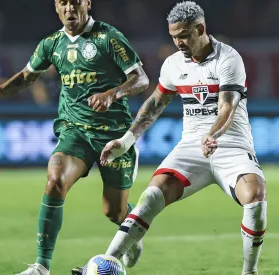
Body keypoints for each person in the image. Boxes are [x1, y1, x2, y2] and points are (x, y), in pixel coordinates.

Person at [0, 0, 149, 274]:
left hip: (114, 136)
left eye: (75, 2)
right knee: (55, 181)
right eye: (63, 3)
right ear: (56, 8)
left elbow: (141, 79)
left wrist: (112, 95)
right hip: (74, 132)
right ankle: (41, 266)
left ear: (87, 3)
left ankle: (130, 231)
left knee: (114, 212)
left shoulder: (109, 37)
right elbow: (26, 77)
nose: (70, 8)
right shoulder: (51, 43)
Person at [83, 2, 268, 275]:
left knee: (255, 197)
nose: (178, 42)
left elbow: (227, 106)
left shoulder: (228, 59)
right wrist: (126, 141)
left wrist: (213, 135)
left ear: (200, 28)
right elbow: (155, 104)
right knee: (151, 196)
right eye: (173, 36)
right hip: (192, 147)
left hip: (230, 144)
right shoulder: (173, 64)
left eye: (183, 35)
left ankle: (249, 272)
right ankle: (106, 262)